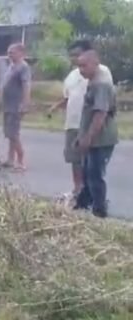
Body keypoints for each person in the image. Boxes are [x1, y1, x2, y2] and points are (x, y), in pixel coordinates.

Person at [48, 40, 113, 200]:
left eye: (77, 54)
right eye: (72, 56)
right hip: (73, 122)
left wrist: (90, 133)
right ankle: (78, 191)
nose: (74, 59)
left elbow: (103, 102)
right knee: (75, 160)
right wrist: (55, 107)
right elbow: (68, 97)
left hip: (90, 124)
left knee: (92, 166)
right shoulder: (72, 75)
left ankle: (95, 201)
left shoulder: (101, 72)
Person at [73, 50, 118, 218]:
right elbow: (88, 114)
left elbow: (100, 114)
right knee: (87, 172)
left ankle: (99, 210)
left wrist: (88, 137)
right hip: (93, 138)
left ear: (95, 64)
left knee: (95, 175)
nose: (81, 69)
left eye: (84, 65)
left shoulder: (101, 84)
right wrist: (81, 136)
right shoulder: (93, 83)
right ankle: (83, 205)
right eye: (79, 66)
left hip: (101, 139)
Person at [0, 43, 32, 171]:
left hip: (15, 105)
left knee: (13, 133)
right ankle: (10, 159)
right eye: (8, 52)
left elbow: (26, 86)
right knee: (9, 133)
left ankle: (20, 160)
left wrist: (25, 103)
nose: (9, 55)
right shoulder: (11, 67)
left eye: (12, 52)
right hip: (7, 105)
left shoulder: (23, 68)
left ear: (21, 53)